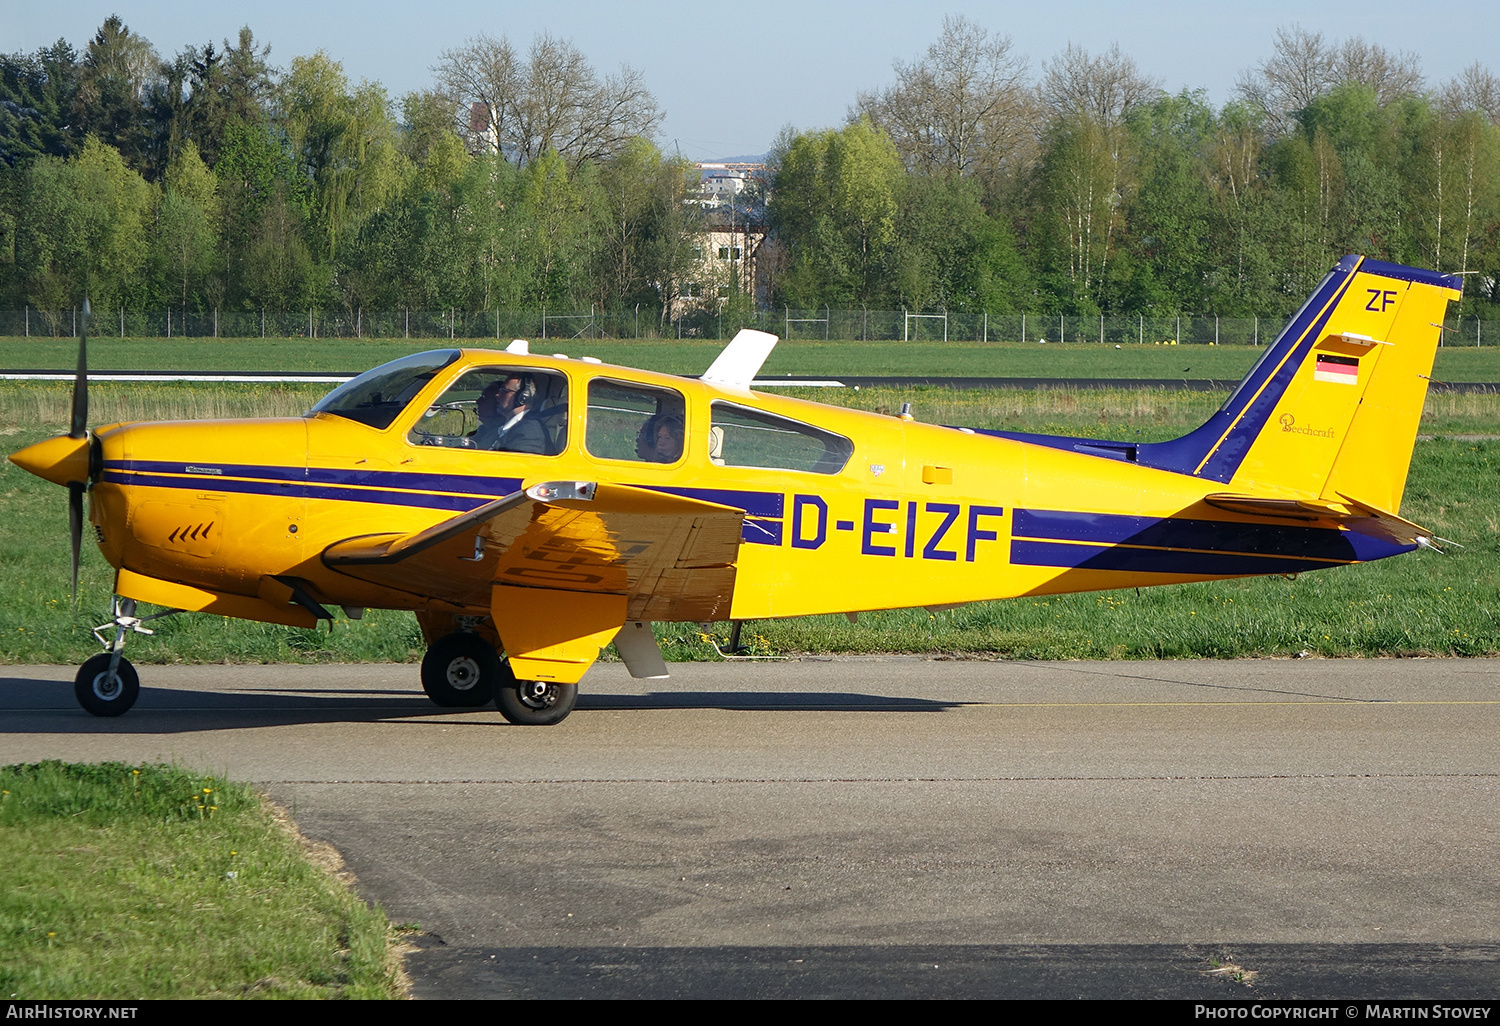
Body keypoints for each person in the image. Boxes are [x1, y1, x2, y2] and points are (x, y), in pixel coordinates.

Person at [473, 375, 549, 453]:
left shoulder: (529, 433)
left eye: (504, 390)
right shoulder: (505, 427)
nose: (497, 395)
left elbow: (515, 464)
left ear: (523, 397)